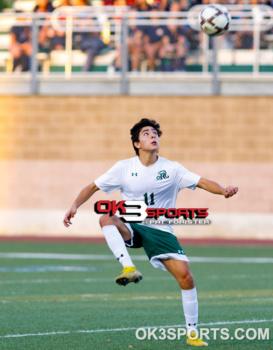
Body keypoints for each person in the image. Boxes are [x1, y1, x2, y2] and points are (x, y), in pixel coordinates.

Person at [63, 118, 238, 347]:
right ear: (137, 143)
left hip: (160, 229)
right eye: (146, 133)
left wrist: (223, 191)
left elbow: (203, 182)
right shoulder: (123, 168)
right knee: (106, 217)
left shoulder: (172, 168)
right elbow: (93, 187)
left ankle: (192, 334)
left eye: (155, 133)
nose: (153, 136)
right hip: (132, 223)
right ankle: (128, 267)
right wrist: (75, 205)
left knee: (186, 277)